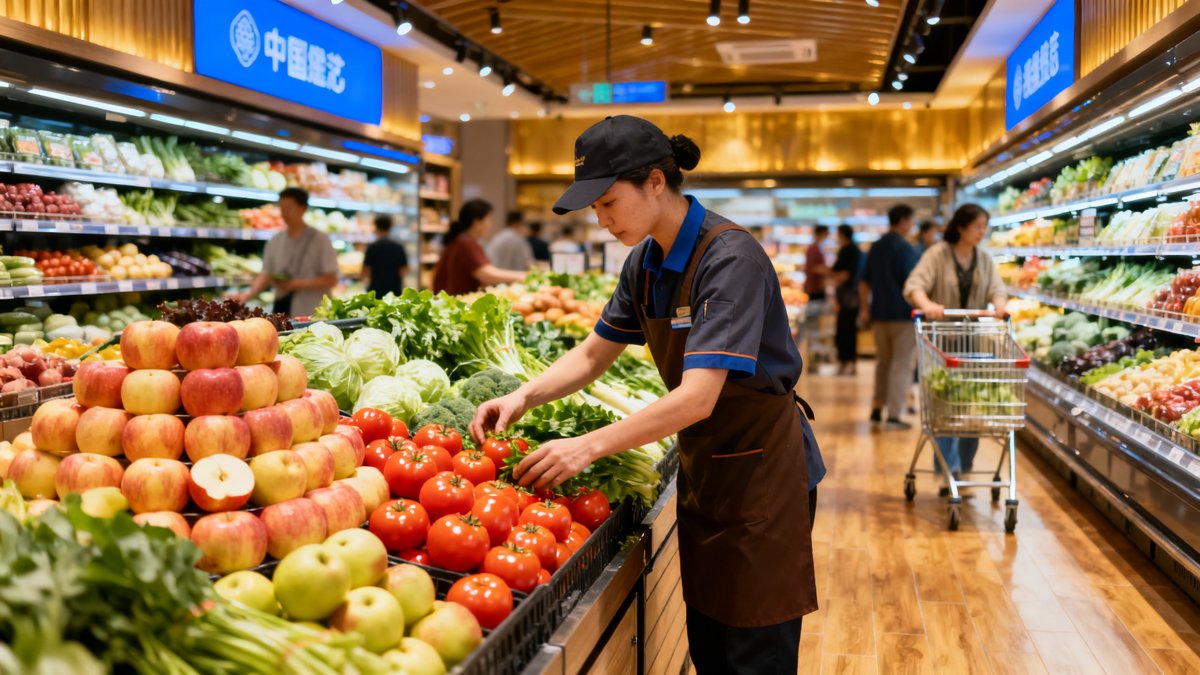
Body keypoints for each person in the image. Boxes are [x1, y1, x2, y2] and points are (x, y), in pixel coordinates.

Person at [470, 115, 823, 675]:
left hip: (763, 476)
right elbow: (592, 354)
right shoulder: (646, 262)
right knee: (709, 643)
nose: (602, 220)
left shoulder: (728, 258)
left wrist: (584, 447)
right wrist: (522, 397)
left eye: (608, 202)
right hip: (706, 469)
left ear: (656, 181)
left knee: (755, 652)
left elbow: (697, 398)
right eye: (595, 209)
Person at [904, 203, 1008, 490]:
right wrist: (927, 306)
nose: (982, 232)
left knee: (971, 412)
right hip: (940, 344)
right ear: (961, 227)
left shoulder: (983, 258)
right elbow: (914, 285)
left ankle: (964, 467)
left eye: (984, 226)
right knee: (946, 409)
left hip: (973, 344)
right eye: (977, 226)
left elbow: (997, 288)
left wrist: (1000, 306)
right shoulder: (937, 254)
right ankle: (949, 470)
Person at [860, 204, 919, 429]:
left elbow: (864, 281)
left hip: (880, 314)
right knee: (901, 365)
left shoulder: (876, 246)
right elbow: (913, 284)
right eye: (911, 221)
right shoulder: (905, 248)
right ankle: (894, 414)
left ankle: (877, 407)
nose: (912, 226)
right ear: (904, 221)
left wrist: (866, 309)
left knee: (883, 363)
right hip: (902, 316)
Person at [235, 187, 338, 317]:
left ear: (303, 208)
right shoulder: (275, 241)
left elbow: (332, 279)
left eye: (289, 208)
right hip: (282, 309)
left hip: (314, 313)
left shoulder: (320, 240)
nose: (284, 213)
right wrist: (248, 295)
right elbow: (267, 272)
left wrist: (297, 284)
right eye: (282, 208)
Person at [432, 199, 525, 295]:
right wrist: (522, 276)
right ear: (476, 222)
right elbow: (487, 274)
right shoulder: (465, 243)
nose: (490, 224)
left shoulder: (463, 240)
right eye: (489, 219)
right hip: (458, 302)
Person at [830, 224, 863, 375]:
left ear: (842, 234)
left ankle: (845, 362)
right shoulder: (855, 250)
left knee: (844, 331)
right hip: (852, 297)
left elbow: (843, 274)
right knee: (849, 331)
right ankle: (850, 363)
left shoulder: (847, 250)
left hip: (847, 298)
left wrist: (829, 274)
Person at [361, 214, 410, 297]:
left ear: (376, 226)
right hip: (395, 291)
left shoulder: (372, 247)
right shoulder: (398, 247)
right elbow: (404, 270)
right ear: (390, 227)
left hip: (376, 292)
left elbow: (365, 271)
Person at [804, 225, 831, 302]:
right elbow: (813, 268)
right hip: (814, 287)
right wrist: (829, 271)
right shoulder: (813, 248)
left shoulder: (816, 247)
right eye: (826, 233)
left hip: (816, 286)